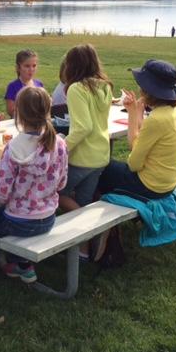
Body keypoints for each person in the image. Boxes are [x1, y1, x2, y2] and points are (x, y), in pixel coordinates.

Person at [0, 87, 68, 302]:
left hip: (19, 220)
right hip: (48, 218)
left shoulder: (13, 149)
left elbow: (1, 194)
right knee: (8, 221)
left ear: (18, 113)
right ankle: (23, 265)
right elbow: (62, 183)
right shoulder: (59, 143)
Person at [98, 59, 176, 201]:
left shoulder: (156, 119)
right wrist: (134, 112)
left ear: (147, 90)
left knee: (101, 165)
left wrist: (132, 113)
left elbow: (134, 164)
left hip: (150, 187)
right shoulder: (175, 111)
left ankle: (87, 205)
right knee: (111, 168)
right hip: (168, 183)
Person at [57, 45, 112, 262]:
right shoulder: (104, 86)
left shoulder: (77, 89)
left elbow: (83, 127)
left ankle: (89, 235)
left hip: (82, 157)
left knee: (54, 194)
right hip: (100, 155)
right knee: (84, 200)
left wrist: (61, 148)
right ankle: (83, 250)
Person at [4, 49, 44, 118]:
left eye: (34, 66)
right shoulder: (13, 86)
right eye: (27, 66)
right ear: (18, 67)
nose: (31, 69)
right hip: (21, 122)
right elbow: (11, 112)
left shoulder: (39, 84)